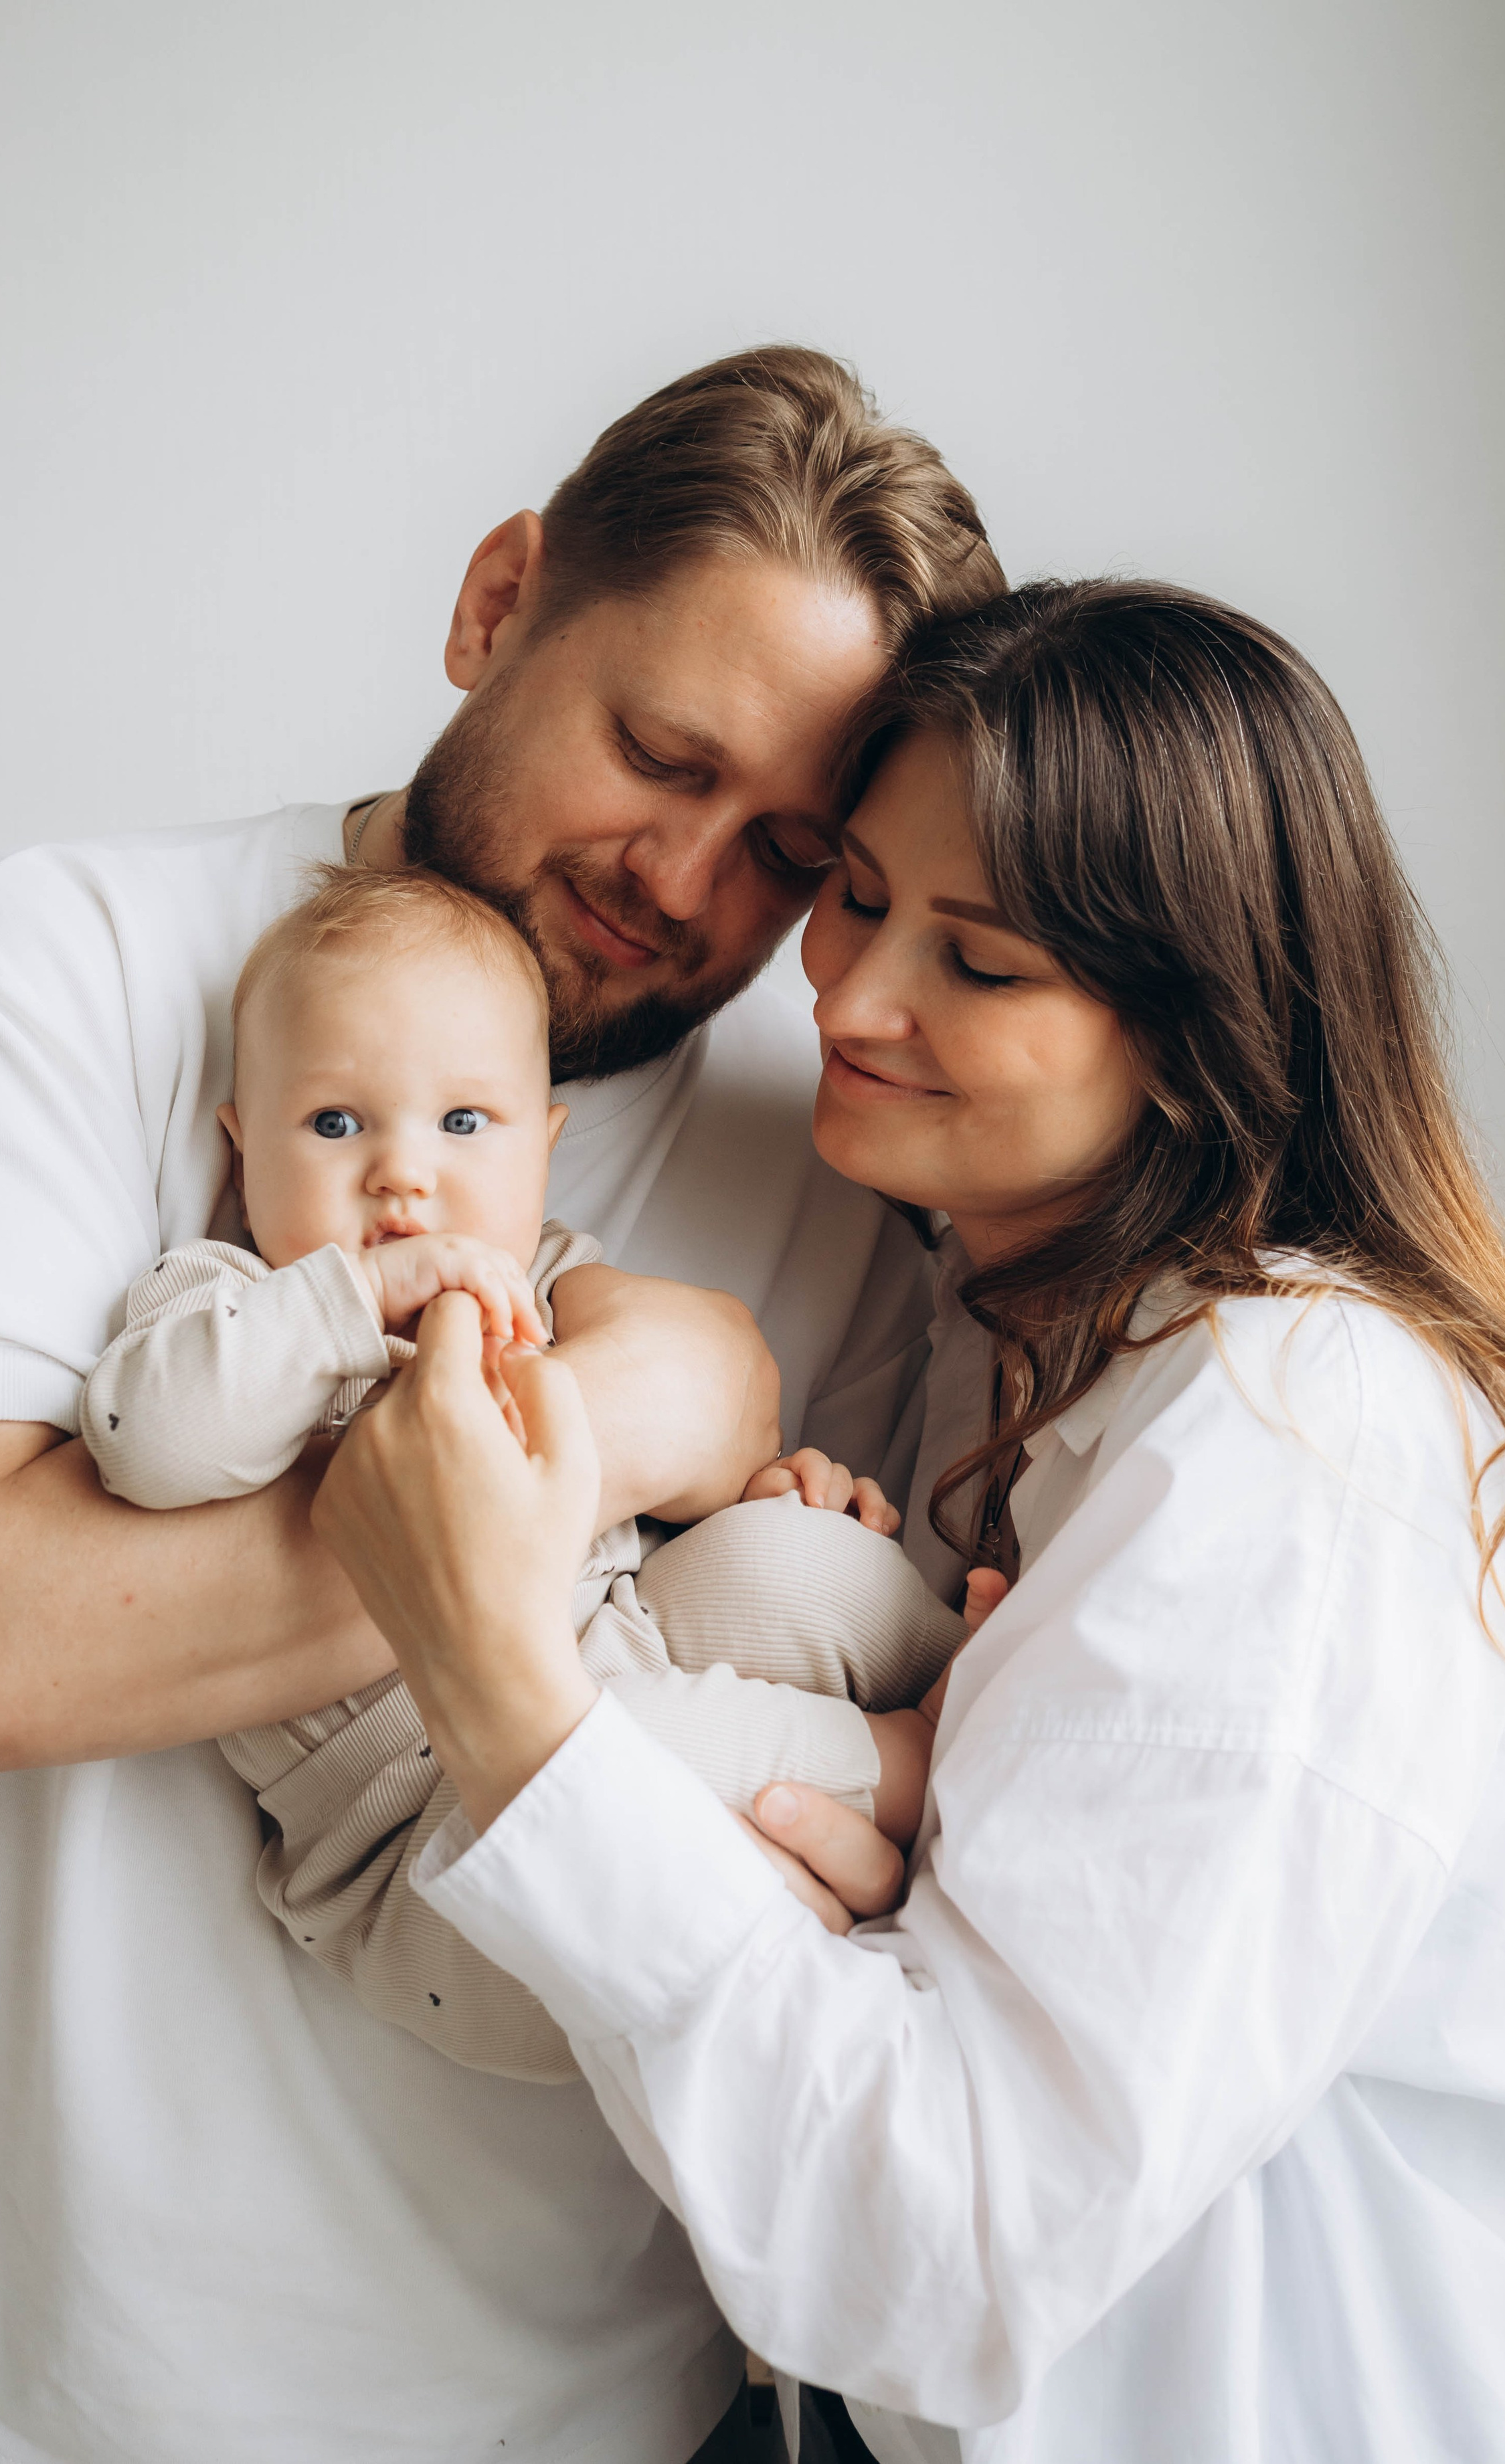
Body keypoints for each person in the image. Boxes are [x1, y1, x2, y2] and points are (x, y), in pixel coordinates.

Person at [0, 347, 1002, 2464]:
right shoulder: (51, 964)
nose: (686, 879)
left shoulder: (830, 1172)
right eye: (656, 750)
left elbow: (840, 1817)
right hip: (2, 2392)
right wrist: (631, 1430)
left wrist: (755, 1459)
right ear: (497, 599)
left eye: (788, 847)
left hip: (588, 2403)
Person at [311, 579, 1505, 2464]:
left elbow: (943, 2249)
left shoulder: (1293, 1433)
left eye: (985, 960)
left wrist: (504, 1690)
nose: (851, 1000)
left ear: (1194, 1033)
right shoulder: (982, 1316)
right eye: (857, 896)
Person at [85, 858, 958, 2081]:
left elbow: (688, 1459)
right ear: (242, 1149)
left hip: (625, 1640)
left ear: (542, 1147)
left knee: (795, 1566)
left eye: (462, 1124)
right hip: (427, 1850)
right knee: (641, 1753)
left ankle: (970, 1669)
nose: (401, 1174)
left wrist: (764, 1502)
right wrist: (350, 1303)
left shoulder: (550, 1286)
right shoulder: (233, 1304)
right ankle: (933, 1766)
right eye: (335, 1124)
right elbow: (146, 1441)